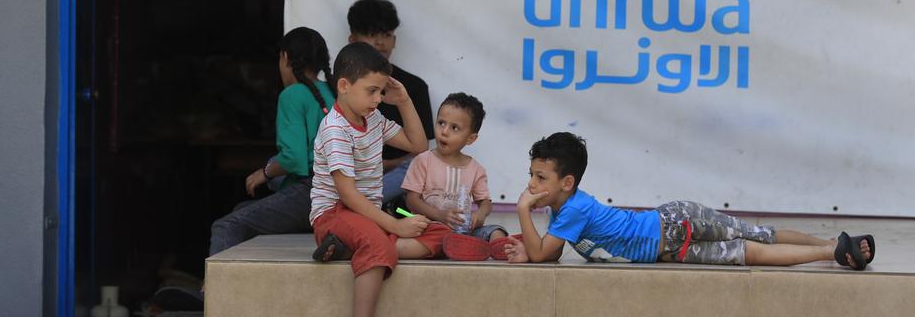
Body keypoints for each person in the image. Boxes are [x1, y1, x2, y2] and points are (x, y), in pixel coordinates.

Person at [503, 132, 876, 271]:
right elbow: (548, 254)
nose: (532, 184)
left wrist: (521, 210)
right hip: (671, 251)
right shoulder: (562, 209)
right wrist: (528, 248)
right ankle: (834, 251)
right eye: (532, 175)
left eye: (540, 178)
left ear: (567, 183)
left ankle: (831, 244)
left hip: (676, 222)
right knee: (752, 254)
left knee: (760, 235)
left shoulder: (575, 208)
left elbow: (539, 255)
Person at [309, 42, 447, 317]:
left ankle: (350, 246)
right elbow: (347, 196)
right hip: (334, 215)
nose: (377, 99)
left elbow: (418, 145)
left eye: (381, 92)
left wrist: (405, 101)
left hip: (367, 215)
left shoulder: (373, 118)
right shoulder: (335, 129)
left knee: (440, 233)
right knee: (377, 243)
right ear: (344, 86)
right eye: (371, 91)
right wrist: (396, 225)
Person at [208, 27, 334, 257]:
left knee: (227, 226)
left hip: (311, 192)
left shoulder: (293, 94)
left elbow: (294, 158)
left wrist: (265, 173)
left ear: (285, 57)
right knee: (242, 211)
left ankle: (214, 292)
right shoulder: (332, 92)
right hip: (336, 192)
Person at [346, 0, 435, 206]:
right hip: (350, 175)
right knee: (282, 178)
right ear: (353, 39)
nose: (379, 41)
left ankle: (362, 206)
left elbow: (421, 151)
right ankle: (368, 206)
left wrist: (386, 165)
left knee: (420, 166)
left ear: (394, 40)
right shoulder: (339, 85)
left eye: (386, 34)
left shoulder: (413, 87)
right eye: (371, 34)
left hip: (396, 178)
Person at [402, 93, 509, 261]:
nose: (444, 132)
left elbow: (485, 203)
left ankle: (498, 248)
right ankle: (462, 248)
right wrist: (439, 216)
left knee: (496, 231)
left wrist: (480, 215)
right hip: (429, 228)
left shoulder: (476, 169)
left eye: (454, 128)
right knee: (434, 236)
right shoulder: (423, 161)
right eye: (441, 123)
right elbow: (412, 200)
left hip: (463, 231)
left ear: (470, 138)